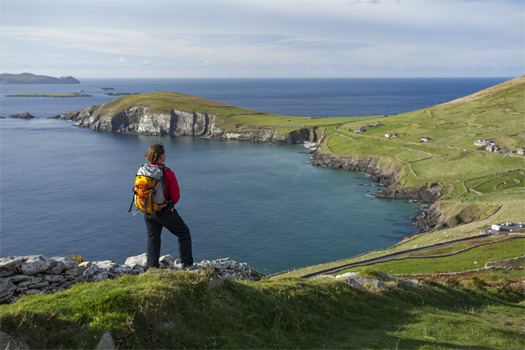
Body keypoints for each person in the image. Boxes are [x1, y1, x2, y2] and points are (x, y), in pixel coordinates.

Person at [141, 143, 193, 269]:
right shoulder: (167, 173)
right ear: (160, 156)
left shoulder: (143, 170)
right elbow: (175, 196)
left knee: (153, 239)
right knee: (184, 233)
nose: (166, 155)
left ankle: (151, 268)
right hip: (164, 212)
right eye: (164, 152)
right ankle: (186, 264)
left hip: (148, 212)